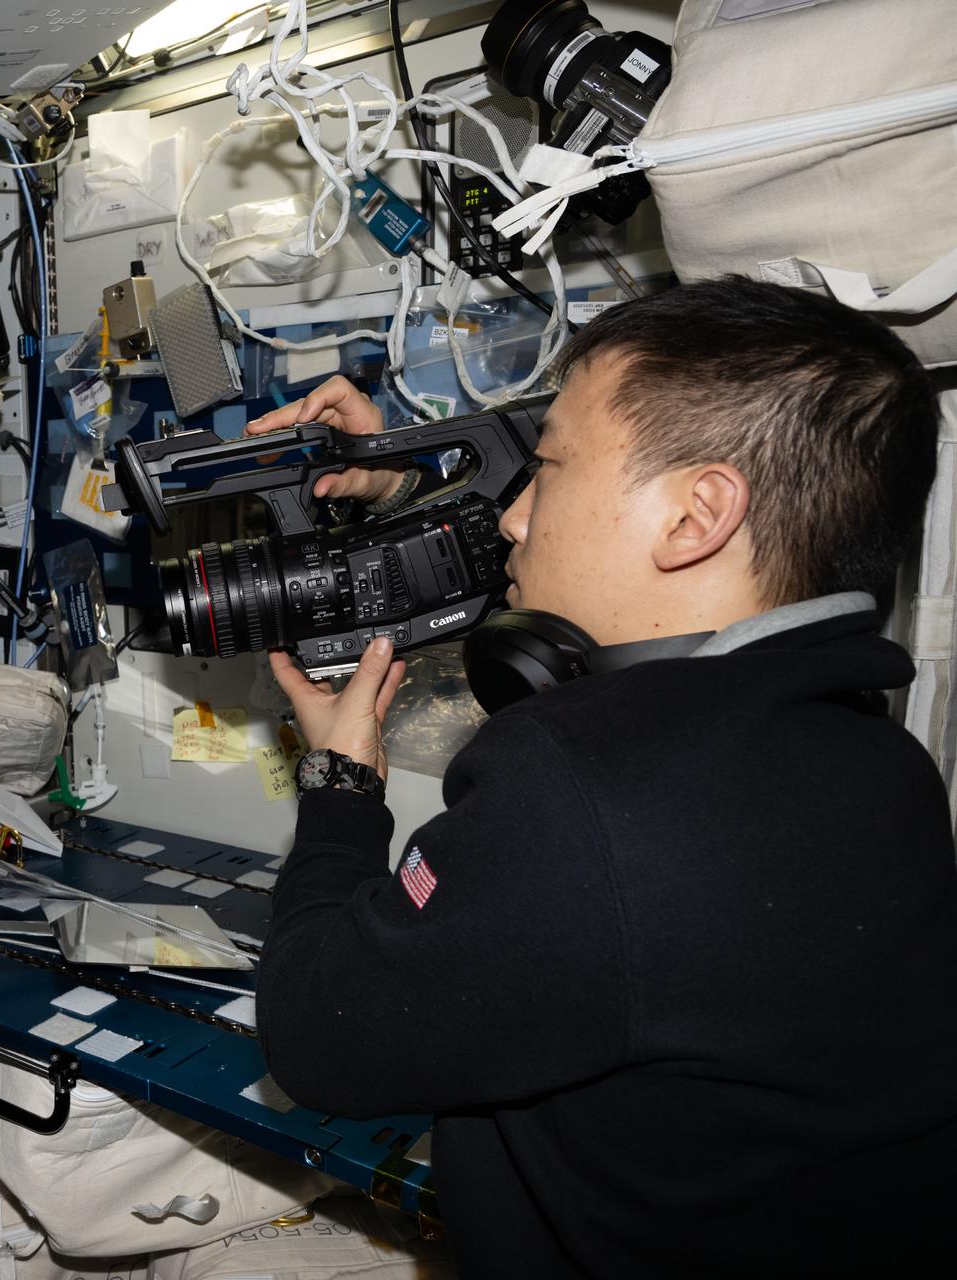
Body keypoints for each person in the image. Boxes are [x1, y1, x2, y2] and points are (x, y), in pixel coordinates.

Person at [246, 278, 957, 1276]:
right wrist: (407, 488)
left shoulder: (582, 789)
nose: (517, 518)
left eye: (548, 470)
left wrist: (339, 783)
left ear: (697, 513)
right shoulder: (887, 762)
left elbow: (318, 1031)